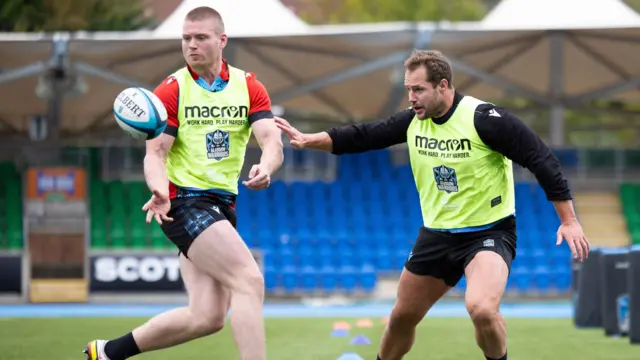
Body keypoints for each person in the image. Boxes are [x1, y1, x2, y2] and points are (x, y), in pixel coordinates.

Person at [275, 49, 590, 360]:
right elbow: (364, 135)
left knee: (481, 309)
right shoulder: (413, 120)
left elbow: (542, 159)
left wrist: (569, 220)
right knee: (401, 318)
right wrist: (308, 139)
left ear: (443, 86)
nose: (411, 97)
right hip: (436, 235)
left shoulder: (486, 120)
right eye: (408, 89)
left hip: (488, 233)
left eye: (418, 89)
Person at [84, 6, 283, 360]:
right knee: (249, 280)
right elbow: (155, 154)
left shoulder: (248, 85)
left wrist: (266, 166)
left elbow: (271, 140)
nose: (191, 45)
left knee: (206, 317)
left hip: (222, 204)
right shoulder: (171, 90)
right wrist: (159, 189)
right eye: (186, 38)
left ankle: (107, 352)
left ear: (222, 40)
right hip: (185, 202)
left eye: (200, 38)